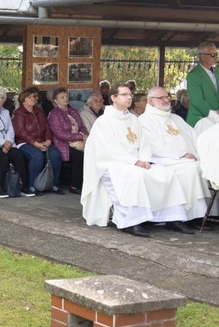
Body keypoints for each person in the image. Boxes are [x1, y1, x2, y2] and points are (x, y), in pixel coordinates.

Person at [82, 84, 189, 237]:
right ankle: (132, 222)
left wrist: (144, 159)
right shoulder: (104, 122)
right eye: (124, 94)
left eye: (130, 95)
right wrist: (134, 161)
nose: (129, 98)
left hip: (135, 162)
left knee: (167, 174)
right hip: (112, 165)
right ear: (113, 98)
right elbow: (108, 149)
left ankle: (173, 219)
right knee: (136, 177)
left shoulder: (133, 119)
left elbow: (144, 143)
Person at [138, 87, 210, 231]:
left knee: (202, 166)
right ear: (150, 101)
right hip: (163, 160)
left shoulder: (175, 118)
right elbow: (152, 145)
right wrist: (181, 154)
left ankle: (195, 217)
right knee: (191, 168)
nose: (166, 100)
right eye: (161, 98)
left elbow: (195, 137)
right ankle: (177, 219)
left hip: (185, 159)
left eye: (167, 97)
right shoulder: (144, 120)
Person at [0, 86, 34, 198]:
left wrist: (8, 142)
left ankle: (23, 186)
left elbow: (11, 130)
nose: (0, 100)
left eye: (2, 98)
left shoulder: (5, 112)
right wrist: (3, 143)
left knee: (18, 156)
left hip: (8, 143)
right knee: (2, 157)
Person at [12, 87, 64, 195]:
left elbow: (47, 127)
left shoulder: (39, 111)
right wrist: (36, 144)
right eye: (30, 97)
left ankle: (53, 184)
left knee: (55, 155)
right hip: (24, 142)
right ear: (23, 98)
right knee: (37, 156)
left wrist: (49, 141)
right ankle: (32, 185)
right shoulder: (19, 113)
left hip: (42, 141)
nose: (33, 99)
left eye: (35, 96)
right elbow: (21, 132)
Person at [48, 87, 88, 195]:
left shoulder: (73, 111)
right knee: (79, 156)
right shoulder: (54, 114)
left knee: (92, 152)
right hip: (63, 144)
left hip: (78, 140)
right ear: (56, 101)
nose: (65, 99)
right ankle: (75, 185)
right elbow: (60, 134)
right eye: (62, 97)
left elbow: (82, 126)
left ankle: (89, 182)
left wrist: (85, 136)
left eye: (66, 96)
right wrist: (79, 137)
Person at [186, 42, 219, 127]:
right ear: (202, 56)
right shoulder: (193, 75)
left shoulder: (216, 71)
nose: (216, 57)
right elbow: (198, 101)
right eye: (212, 55)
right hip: (200, 120)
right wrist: (215, 114)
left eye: (216, 54)